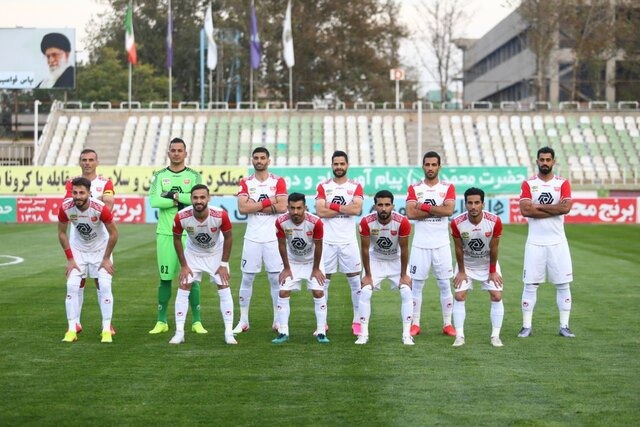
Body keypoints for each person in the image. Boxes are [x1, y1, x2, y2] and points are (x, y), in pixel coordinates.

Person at [148, 137, 207, 335]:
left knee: (193, 278)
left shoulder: (194, 176)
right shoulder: (159, 175)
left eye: (179, 150)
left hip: (190, 234)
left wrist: (171, 195)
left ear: (185, 153)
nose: (176, 153)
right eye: (173, 150)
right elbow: (154, 201)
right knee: (165, 278)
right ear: (168, 153)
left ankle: (196, 321)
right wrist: (179, 200)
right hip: (166, 233)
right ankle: (161, 321)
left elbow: (196, 200)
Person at [518, 146, 575, 338]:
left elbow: (565, 208)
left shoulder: (562, 183)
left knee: (563, 284)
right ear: (537, 161)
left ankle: (564, 326)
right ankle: (526, 326)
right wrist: (554, 208)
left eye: (548, 160)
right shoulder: (528, 184)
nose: (545, 163)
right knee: (530, 285)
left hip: (558, 242)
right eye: (541, 160)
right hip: (535, 243)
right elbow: (526, 210)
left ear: (553, 162)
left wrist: (538, 206)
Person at [169, 185, 237, 345]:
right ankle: (179, 333)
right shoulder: (181, 217)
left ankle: (229, 333)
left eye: (202, 197)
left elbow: (228, 237)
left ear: (208, 198)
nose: (199, 201)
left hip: (216, 253)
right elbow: (176, 239)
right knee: (184, 285)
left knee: (224, 286)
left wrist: (223, 264)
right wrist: (184, 265)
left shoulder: (220, 215)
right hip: (193, 254)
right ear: (191, 199)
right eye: (195, 198)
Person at [232, 147, 288, 334]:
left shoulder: (278, 181)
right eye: (256, 158)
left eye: (262, 158)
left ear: (268, 161)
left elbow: (282, 206)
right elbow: (242, 208)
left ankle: (278, 321)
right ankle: (243, 320)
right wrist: (268, 201)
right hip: (252, 238)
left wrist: (254, 205)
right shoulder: (246, 182)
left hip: (273, 238)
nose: (259, 160)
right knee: (247, 277)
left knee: (275, 279)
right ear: (252, 160)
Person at [58, 177, 118, 343]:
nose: (78, 196)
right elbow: (61, 233)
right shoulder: (66, 207)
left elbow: (114, 233)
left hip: (100, 250)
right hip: (78, 250)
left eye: (81, 193)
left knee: (105, 286)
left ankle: (106, 329)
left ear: (89, 193)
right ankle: (72, 329)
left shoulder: (100, 208)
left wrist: (106, 258)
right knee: (71, 286)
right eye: (75, 193)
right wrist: (70, 259)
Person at [405, 151, 456, 337]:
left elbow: (448, 211)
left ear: (439, 167)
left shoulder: (448, 187)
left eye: (434, 164)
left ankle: (447, 324)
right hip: (420, 245)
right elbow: (411, 214)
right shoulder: (414, 188)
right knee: (417, 286)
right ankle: (415, 324)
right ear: (423, 166)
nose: (430, 168)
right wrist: (437, 209)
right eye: (427, 164)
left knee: (444, 284)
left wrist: (424, 206)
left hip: (441, 245)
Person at [315, 150, 364, 335]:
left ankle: (357, 321)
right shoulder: (323, 186)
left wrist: (332, 206)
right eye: (336, 164)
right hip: (327, 241)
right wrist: (345, 208)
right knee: (323, 282)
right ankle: (322, 323)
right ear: (332, 165)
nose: (339, 167)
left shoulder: (355, 186)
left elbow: (356, 209)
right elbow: (320, 211)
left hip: (348, 241)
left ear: (347, 165)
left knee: (355, 282)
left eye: (342, 164)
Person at [356, 190, 414, 346]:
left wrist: (404, 275)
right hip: (375, 261)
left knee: (407, 291)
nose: (383, 208)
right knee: (365, 291)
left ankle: (407, 335)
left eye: (387, 205)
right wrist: (368, 275)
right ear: (374, 206)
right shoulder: (366, 222)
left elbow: (404, 249)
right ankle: (363, 334)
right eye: (380, 205)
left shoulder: (402, 222)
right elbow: (365, 249)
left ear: (393, 206)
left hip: (396, 260)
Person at [450, 187, 505, 347]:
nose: (473, 206)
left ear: (483, 204)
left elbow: (494, 248)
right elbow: (458, 248)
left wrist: (492, 271)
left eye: (477, 203)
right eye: (470, 203)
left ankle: (495, 336)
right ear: (465, 204)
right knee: (459, 296)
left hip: (487, 264)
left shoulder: (494, 221)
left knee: (497, 296)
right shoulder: (457, 223)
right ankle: (459, 336)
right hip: (466, 264)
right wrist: (461, 271)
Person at [272, 193, 329, 344]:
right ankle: (283, 332)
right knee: (283, 292)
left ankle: (321, 332)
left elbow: (319, 246)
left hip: (313, 261)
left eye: (299, 208)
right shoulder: (280, 222)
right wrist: (286, 268)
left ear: (305, 207)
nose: (295, 212)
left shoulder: (316, 222)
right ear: (287, 207)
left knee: (318, 292)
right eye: (292, 208)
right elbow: (281, 245)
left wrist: (316, 269)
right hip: (292, 262)